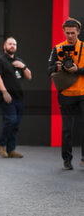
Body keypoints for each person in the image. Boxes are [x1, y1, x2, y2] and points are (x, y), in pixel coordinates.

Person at [48, 18, 84, 170]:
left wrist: (78, 70)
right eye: (67, 33)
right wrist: (56, 67)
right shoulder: (57, 49)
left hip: (83, 93)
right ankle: (67, 160)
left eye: (73, 33)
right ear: (64, 32)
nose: (70, 36)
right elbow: (48, 70)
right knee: (67, 130)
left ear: (78, 32)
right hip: (65, 95)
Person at [0, 37, 32, 158]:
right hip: (6, 97)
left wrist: (23, 66)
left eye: (14, 44)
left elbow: (29, 76)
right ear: (5, 46)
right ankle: (0, 144)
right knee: (11, 120)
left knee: (16, 124)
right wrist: (4, 92)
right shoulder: (0, 60)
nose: (12, 46)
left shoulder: (19, 61)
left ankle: (11, 149)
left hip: (19, 97)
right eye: (10, 44)